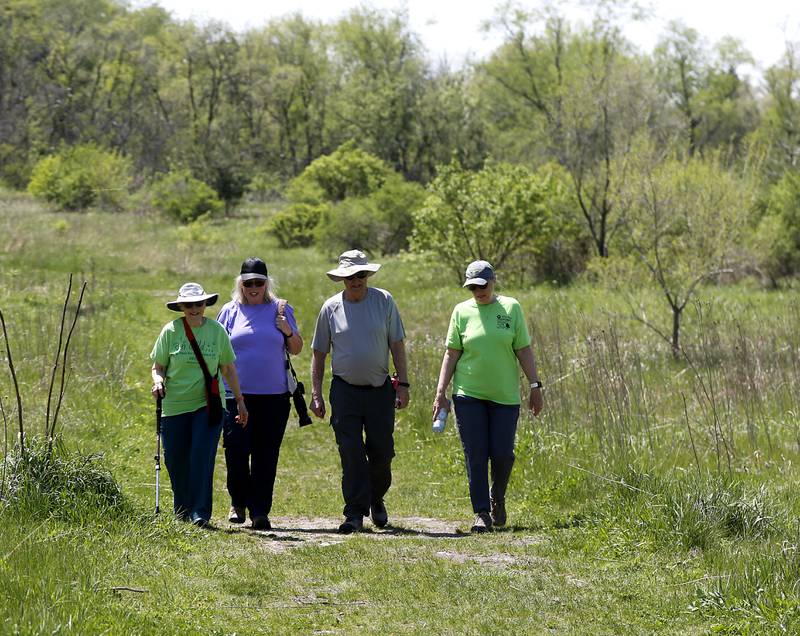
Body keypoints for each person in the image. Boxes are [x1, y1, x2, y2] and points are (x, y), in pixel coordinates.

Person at [432, 260, 543, 533]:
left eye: (482, 285)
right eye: (472, 287)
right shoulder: (461, 311)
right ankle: (481, 512)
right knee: (476, 455)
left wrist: (535, 385)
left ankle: (498, 497)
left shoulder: (511, 308)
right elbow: (451, 353)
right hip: (468, 394)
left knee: (503, 454)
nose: (478, 291)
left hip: (505, 396)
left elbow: (524, 349)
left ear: (493, 281)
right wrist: (441, 392)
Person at [310, 249, 410, 534]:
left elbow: (397, 345)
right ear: (342, 279)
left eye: (361, 275)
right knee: (350, 451)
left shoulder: (384, 301)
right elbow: (319, 354)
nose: (356, 280)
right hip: (345, 391)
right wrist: (316, 394)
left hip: (380, 390)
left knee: (383, 452)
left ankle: (375, 497)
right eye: (350, 276)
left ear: (367, 276)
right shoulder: (330, 308)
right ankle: (354, 513)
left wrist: (403, 384)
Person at [216, 257, 303, 530]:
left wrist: (287, 330)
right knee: (236, 450)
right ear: (240, 284)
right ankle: (238, 502)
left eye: (259, 282)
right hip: (235, 395)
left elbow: (297, 348)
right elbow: (218, 350)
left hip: (274, 397)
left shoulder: (281, 310)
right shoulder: (229, 311)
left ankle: (260, 511)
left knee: (266, 454)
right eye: (248, 282)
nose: (253, 287)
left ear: (267, 283)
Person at [150, 282, 248, 527]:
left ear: (205, 305)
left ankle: (200, 513)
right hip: (174, 406)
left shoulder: (216, 331)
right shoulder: (170, 331)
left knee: (201, 457)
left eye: (199, 304)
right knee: (175, 460)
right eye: (189, 305)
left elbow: (228, 368)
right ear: (181, 307)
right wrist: (158, 381)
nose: (194, 308)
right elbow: (158, 366)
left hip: (208, 405)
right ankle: (182, 510)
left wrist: (239, 401)